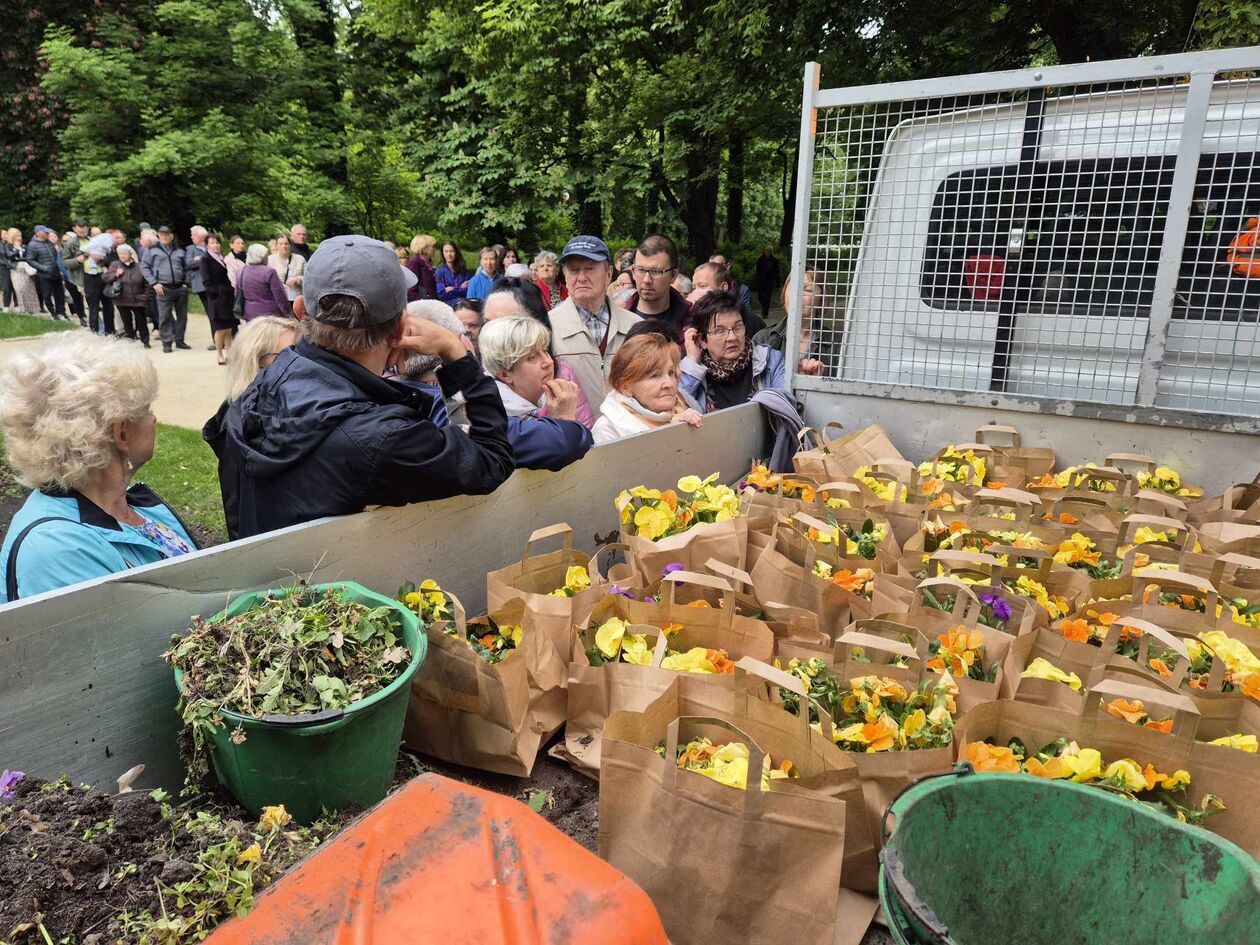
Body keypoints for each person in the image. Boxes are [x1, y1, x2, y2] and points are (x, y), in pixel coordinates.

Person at [222, 234, 515, 538]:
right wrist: (453, 351)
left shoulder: (259, 388)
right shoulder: (382, 437)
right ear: (401, 326)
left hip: (272, 565)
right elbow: (491, 459)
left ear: (300, 312)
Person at [0, 333, 199, 602]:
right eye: (145, 409)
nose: (153, 419)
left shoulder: (126, 505)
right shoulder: (57, 549)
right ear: (121, 432)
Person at [202, 316, 299, 541]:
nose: (301, 363)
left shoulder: (280, 412)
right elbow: (239, 508)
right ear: (255, 361)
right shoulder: (240, 426)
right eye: (290, 355)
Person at [478, 315, 592, 470]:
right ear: (505, 374)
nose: (548, 362)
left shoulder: (550, 399)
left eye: (545, 350)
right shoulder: (496, 418)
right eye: (532, 357)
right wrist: (564, 421)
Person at [482, 277, 595, 427]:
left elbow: (587, 433)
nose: (491, 331)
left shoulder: (563, 374)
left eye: (508, 322)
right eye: (487, 322)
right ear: (504, 373)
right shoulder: (481, 398)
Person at [549, 235, 640, 411]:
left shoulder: (635, 326)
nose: (581, 277)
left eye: (590, 269)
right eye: (574, 270)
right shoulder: (547, 328)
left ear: (608, 274)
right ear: (565, 276)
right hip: (573, 428)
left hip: (628, 427)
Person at [680, 290, 787, 412]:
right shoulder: (690, 371)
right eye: (719, 331)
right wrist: (692, 361)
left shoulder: (771, 361)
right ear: (702, 340)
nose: (732, 337)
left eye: (737, 327)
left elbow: (784, 410)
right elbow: (676, 406)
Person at [592, 333, 703, 444]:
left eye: (671, 373)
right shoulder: (608, 429)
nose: (669, 383)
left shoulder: (685, 412)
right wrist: (670, 434)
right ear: (625, 387)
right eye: (654, 375)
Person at [623, 234, 690, 332]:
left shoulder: (691, 321)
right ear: (633, 272)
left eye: (655, 272)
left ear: (673, 276)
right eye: (641, 270)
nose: (646, 280)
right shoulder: (616, 319)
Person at [141, 226, 190, 352]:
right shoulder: (152, 250)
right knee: (164, 316)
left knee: (182, 316)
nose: (165, 237)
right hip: (163, 287)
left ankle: (179, 340)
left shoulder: (179, 250)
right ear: (158, 236)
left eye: (167, 234)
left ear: (172, 236)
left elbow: (187, 268)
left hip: (180, 287)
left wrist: (186, 283)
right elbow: (144, 267)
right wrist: (154, 283)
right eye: (162, 234)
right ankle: (167, 343)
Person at [690, 262, 765, 336]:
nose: (695, 292)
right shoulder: (692, 321)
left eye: (702, 286)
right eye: (694, 288)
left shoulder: (752, 322)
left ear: (723, 287)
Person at [102, 245, 152, 347]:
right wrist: (115, 274)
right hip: (121, 298)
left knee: (141, 321)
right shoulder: (115, 265)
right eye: (120, 253)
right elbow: (105, 278)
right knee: (126, 321)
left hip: (138, 298)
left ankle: (145, 341)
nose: (122, 255)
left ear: (130, 254)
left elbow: (147, 282)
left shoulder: (139, 266)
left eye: (124, 253)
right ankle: (131, 338)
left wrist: (146, 296)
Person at [202, 234, 238, 364]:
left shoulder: (224, 259)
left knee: (229, 328)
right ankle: (219, 354)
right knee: (220, 328)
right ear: (207, 245)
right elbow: (206, 281)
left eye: (217, 242)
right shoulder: (206, 259)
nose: (216, 245)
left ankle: (229, 353)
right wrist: (215, 293)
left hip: (228, 297)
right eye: (212, 243)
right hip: (217, 298)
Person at [783, 271, 825, 376]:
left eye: (807, 290)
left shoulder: (836, 344)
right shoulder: (763, 339)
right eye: (792, 288)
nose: (796, 295)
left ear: (821, 300)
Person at [237, 243, 292, 320]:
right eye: (266, 255)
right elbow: (280, 297)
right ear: (262, 257)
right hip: (270, 316)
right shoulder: (269, 272)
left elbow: (237, 293)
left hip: (250, 316)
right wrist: (289, 315)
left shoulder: (241, 271)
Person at [26, 226, 67, 320]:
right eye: (46, 232)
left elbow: (57, 256)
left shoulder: (50, 242)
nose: (48, 234)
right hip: (44, 274)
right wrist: (43, 268)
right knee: (47, 295)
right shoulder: (32, 245)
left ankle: (61, 312)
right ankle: (53, 313)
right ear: (38, 233)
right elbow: (30, 260)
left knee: (60, 294)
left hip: (56, 272)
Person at [708, 251, 753, 319]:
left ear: (728, 266)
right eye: (710, 266)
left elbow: (748, 316)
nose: (714, 270)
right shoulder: (706, 288)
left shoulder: (742, 289)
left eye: (718, 265)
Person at [3, 229, 37, 313]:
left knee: (23, 288)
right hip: (12, 269)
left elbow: (27, 257)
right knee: (12, 288)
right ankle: (8, 306)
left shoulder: (24, 246)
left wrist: (19, 257)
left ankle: (22, 306)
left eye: (20, 235)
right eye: (17, 235)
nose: (19, 237)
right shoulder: (7, 246)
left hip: (22, 270)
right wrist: (17, 250)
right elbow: (9, 255)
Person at [61, 222, 88, 326]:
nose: (82, 233)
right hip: (75, 277)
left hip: (91, 275)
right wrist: (77, 260)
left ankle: (94, 319)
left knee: (92, 299)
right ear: (74, 229)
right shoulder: (69, 245)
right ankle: (82, 317)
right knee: (77, 299)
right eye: (79, 231)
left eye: (84, 230)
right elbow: (65, 263)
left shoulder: (91, 241)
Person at [268, 232, 305, 303]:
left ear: (290, 245)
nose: (284, 246)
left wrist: (297, 279)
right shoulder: (270, 260)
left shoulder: (300, 259)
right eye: (280, 244)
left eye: (286, 244)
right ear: (276, 246)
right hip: (277, 300)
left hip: (297, 300)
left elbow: (309, 278)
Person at [185, 225, 211, 319]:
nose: (191, 237)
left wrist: (200, 259)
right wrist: (205, 260)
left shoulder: (211, 246)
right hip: (200, 284)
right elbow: (189, 264)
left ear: (202, 237)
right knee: (210, 311)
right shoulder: (190, 249)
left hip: (213, 283)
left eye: (194, 235)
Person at [753, 246, 781, 322]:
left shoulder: (774, 261)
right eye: (766, 251)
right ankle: (763, 308)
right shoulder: (760, 260)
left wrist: (777, 283)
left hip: (769, 282)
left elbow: (777, 272)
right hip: (761, 282)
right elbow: (757, 271)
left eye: (769, 251)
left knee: (767, 298)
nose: (767, 252)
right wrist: (756, 281)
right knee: (760, 297)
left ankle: (765, 312)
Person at [406, 234, 438, 300]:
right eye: (433, 246)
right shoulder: (414, 263)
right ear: (424, 248)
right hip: (422, 303)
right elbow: (410, 289)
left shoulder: (430, 263)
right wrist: (422, 302)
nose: (435, 249)